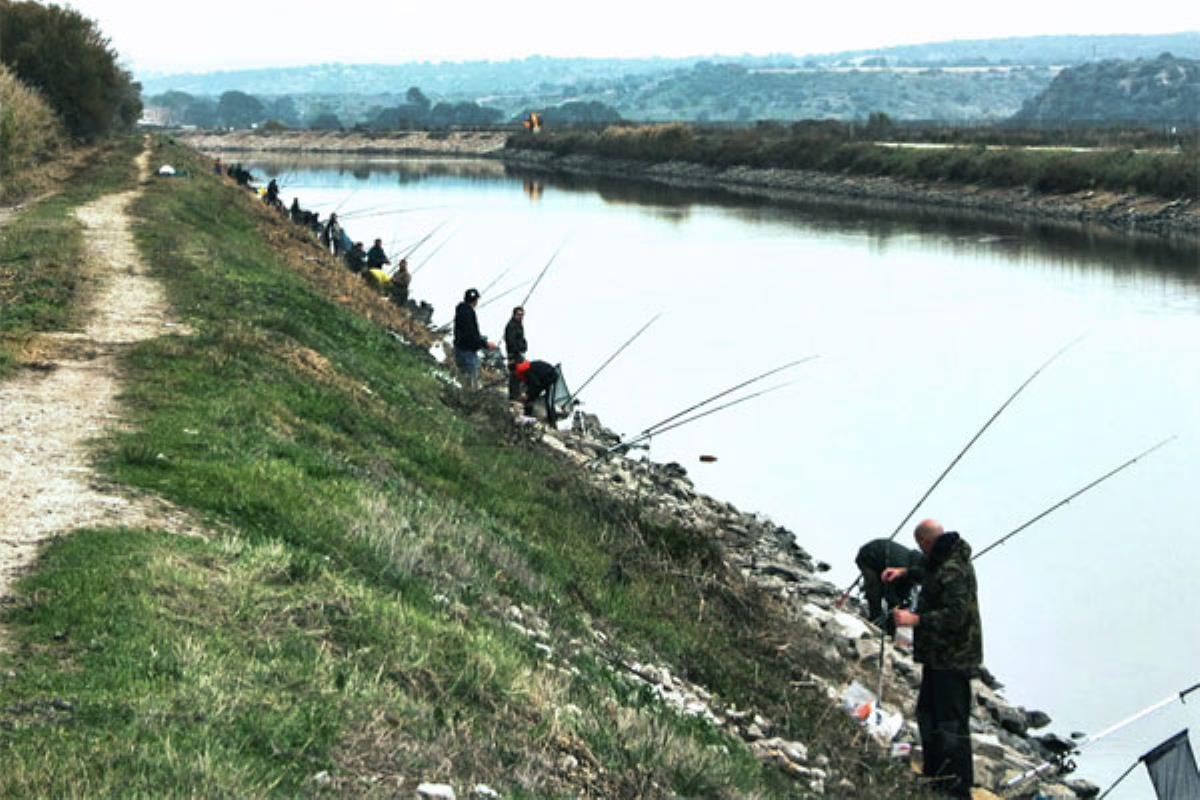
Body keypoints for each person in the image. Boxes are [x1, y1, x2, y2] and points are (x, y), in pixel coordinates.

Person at [885, 520, 982, 800]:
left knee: (951, 722)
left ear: (926, 543)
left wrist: (915, 619)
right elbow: (927, 572)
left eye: (920, 548)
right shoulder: (941, 559)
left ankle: (956, 788)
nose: (922, 553)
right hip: (936, 658)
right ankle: (935, 775)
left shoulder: (954, 569)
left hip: (954, 658)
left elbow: (956, 615)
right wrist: (903, 572)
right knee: (928, 713)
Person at [855, 538, 923, 633]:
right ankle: (875, 621)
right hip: (869, 556)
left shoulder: (912, 569)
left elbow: (901, 594)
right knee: (875, 589)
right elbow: (892, 595)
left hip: (881, 559)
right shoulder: (902, 566)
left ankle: (881, 624)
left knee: (893, 599)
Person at [452, 288, 496, 388]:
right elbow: (470, 336)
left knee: (466, 380)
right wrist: (485, 344)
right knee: (471, 383)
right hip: (467, 352)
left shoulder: (462, 310)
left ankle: (464, 399)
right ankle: (468, 401)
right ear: (475, 301)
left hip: (461, 350)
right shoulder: (468, 313)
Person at [512, 359, 560, 423]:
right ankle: (528, 416)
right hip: (543, 380)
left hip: (550, 378)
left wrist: (527, 394)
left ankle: (552, 423)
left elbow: (536, 385)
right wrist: (529, 395)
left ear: (515, 371)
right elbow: (534, 385)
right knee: (531, 397)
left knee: (549, 402)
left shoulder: (527, 371)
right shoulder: (525, 370)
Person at [504, 306, 528, 400]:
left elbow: (522, 339)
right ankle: (513, 397)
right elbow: (511, 341)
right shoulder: (511, 325)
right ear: (514, 315)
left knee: (519, 375)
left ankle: (516, 395)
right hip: (514, 354)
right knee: (515, 375)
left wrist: (524, 346)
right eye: (518, 314)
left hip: (519, 354)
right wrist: (517, 350)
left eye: (522, 315)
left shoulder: (519, 325)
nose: (521, 316)